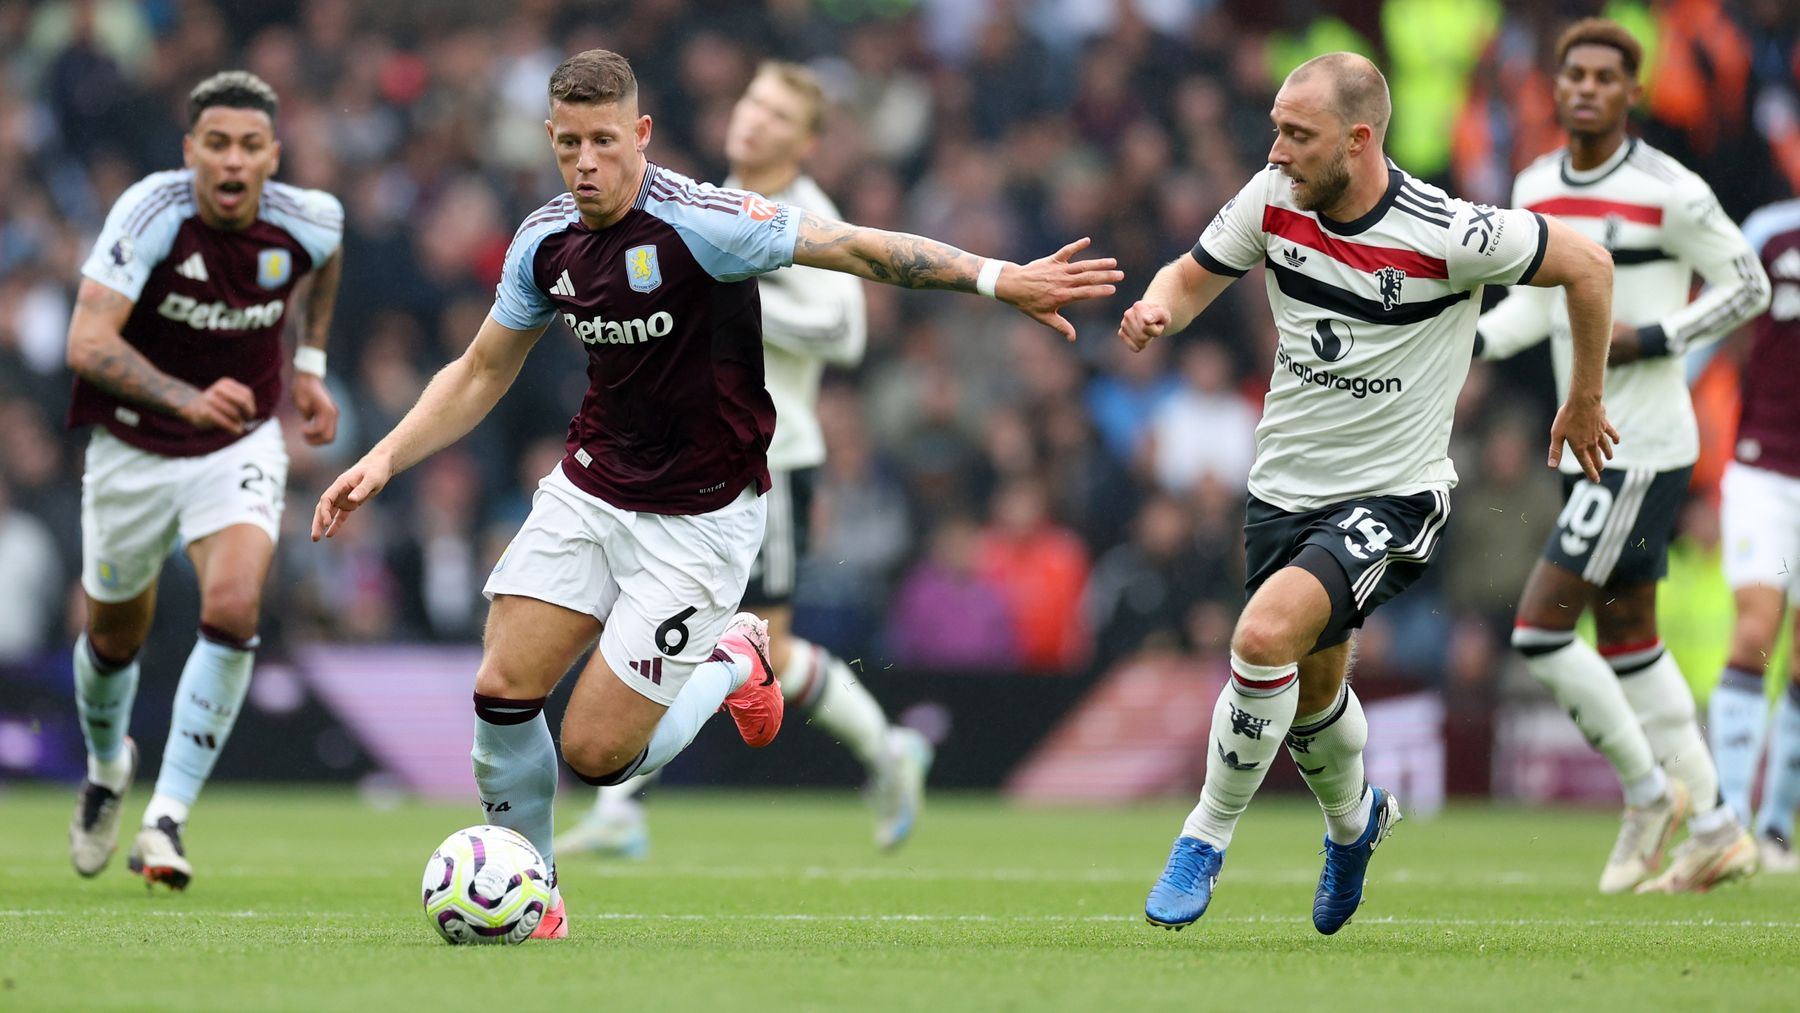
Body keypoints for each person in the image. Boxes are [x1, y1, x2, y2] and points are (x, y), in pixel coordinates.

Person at [312, 49, 1119, 940]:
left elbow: (852, 247)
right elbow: (479, 370)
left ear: (642, 135)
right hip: (591, 489)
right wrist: (383, 458)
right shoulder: (544, 241)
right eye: (570, 143)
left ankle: (737, 654)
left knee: (597, 753)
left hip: (701, 518)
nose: (586, 162)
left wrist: (1000, 278)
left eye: (605, 142)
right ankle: (535, 898)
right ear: (549, 138)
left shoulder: (706, 221)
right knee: (501, 691)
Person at [1120, 51, 1618, 934]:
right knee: (1310, 695)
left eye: (1297, 134)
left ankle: (1204, 835)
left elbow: (1589, 265)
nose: (1276, 150)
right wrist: (1159, 309)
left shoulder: (1450, 232)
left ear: (1360, 139)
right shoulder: (1272, 196)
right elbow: (1188, 278)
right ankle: (1356, 825)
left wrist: (1583, 395)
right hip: (1281, 492)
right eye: (1275, 127)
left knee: (1262, 633)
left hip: (1393, 497)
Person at [556, 62, 934, 861]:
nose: (753, 120)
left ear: (806, 141)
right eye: (751, 102)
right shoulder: (708, 197)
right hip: (676, 456)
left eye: (777, 114)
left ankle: (887, 748)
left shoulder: (805, 216)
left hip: (770, 460)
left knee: (764, 645)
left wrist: (733, 282)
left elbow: (848, 333)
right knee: (660, 619)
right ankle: (624, 804)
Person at [1476, 19, 1770, 894]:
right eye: (1576, 75)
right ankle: (1715, 827)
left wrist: (1657, 335)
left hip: (1642, 445)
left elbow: (1747, 281)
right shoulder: (1534, 182)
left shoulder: (1669, 189)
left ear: (1633, 93)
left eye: (1608, 77)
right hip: (1590, 445)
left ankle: (1650, 793)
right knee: (1631, 639)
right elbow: (1537, 309)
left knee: (1538, 629)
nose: (1590, 89)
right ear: (1555, 89)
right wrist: (1471, 347)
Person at [65, 70, 343, 890]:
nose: (231, 161)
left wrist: (311, 367)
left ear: (272, 156)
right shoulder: (152, 212)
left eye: (249, 146)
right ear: (190, 152)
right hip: (133, 451)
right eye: (215, 144)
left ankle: (167, 817)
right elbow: (86, 342)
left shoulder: (311, 217)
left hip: (239, 445)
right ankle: (108, 766)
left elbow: (325, 264)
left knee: (231, 606)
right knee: (115, 635)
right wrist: (187, 397)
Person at [1707, 193, 1800, 874]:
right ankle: (1731, 820)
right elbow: (1713, 319)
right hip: (1764, 467)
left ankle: (1775, 829)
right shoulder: (1769, 229)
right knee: (1755, 631)